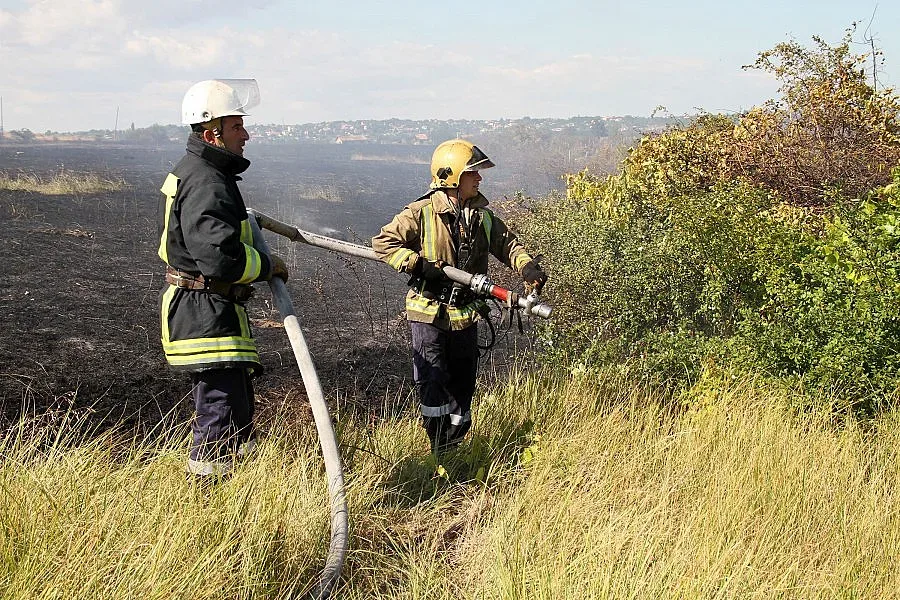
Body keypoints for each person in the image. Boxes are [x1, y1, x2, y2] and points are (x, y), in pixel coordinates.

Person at [372, 139, 548, 454]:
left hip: (465, 315)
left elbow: (507, 244)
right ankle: (438, 449)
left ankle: (454, 447)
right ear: (451, 176)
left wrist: (528, 268)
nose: (479, 179)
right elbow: (383, 243)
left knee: (463, 386)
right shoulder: (421, 213)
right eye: (473, 173)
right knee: (433, 381)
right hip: (429, 313)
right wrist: (418, 265)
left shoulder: (482, 217)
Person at [157, 79, 288, 477]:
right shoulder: (208, 181)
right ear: (213, 132)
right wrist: (268, 266)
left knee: (235, 412)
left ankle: (236, 500)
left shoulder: (205, 173)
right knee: (221, 412)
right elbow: (218, 258)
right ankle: (208, 504)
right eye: (237, 127)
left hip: (209, 308)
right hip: (204, 312)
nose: (246, 135)